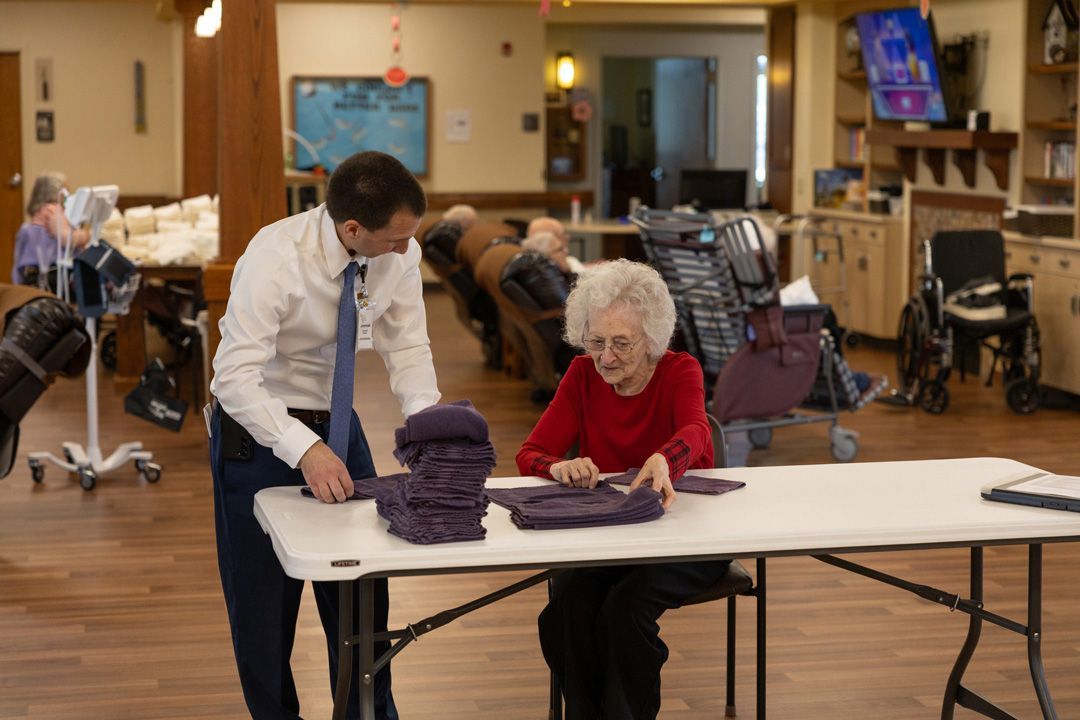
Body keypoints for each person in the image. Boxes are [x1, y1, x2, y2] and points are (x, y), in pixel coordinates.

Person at [209, 151, 440, 719]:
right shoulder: (275, 256)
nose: (406, 250)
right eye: (395, 239)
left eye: (412, 237)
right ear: (352, 228)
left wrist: (429, 426)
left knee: (361, 599)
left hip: (338, 420)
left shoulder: (397, 251)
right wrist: (304, 450)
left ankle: (369, 714)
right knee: (264, 613)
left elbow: (407, 346)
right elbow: (232, 376)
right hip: (258, 428)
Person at [515, 259, 729, 720]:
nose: (605, 357)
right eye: (596, 341)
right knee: (565, 611)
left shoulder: (679, 370)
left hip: (689, 538)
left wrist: (664, 459)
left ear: (651, 340)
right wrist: (559, 467)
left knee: (624, 613)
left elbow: (697, 430)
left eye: (621, 344)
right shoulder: (581, 375)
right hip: (613, 538)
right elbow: (531, 452)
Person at [11, 172, 89, 285]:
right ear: (59, 192)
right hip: (53, 273)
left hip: (34, 273)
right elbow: (65, 238)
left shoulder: (38, 214)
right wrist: (85, 236)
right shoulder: (53, 210)